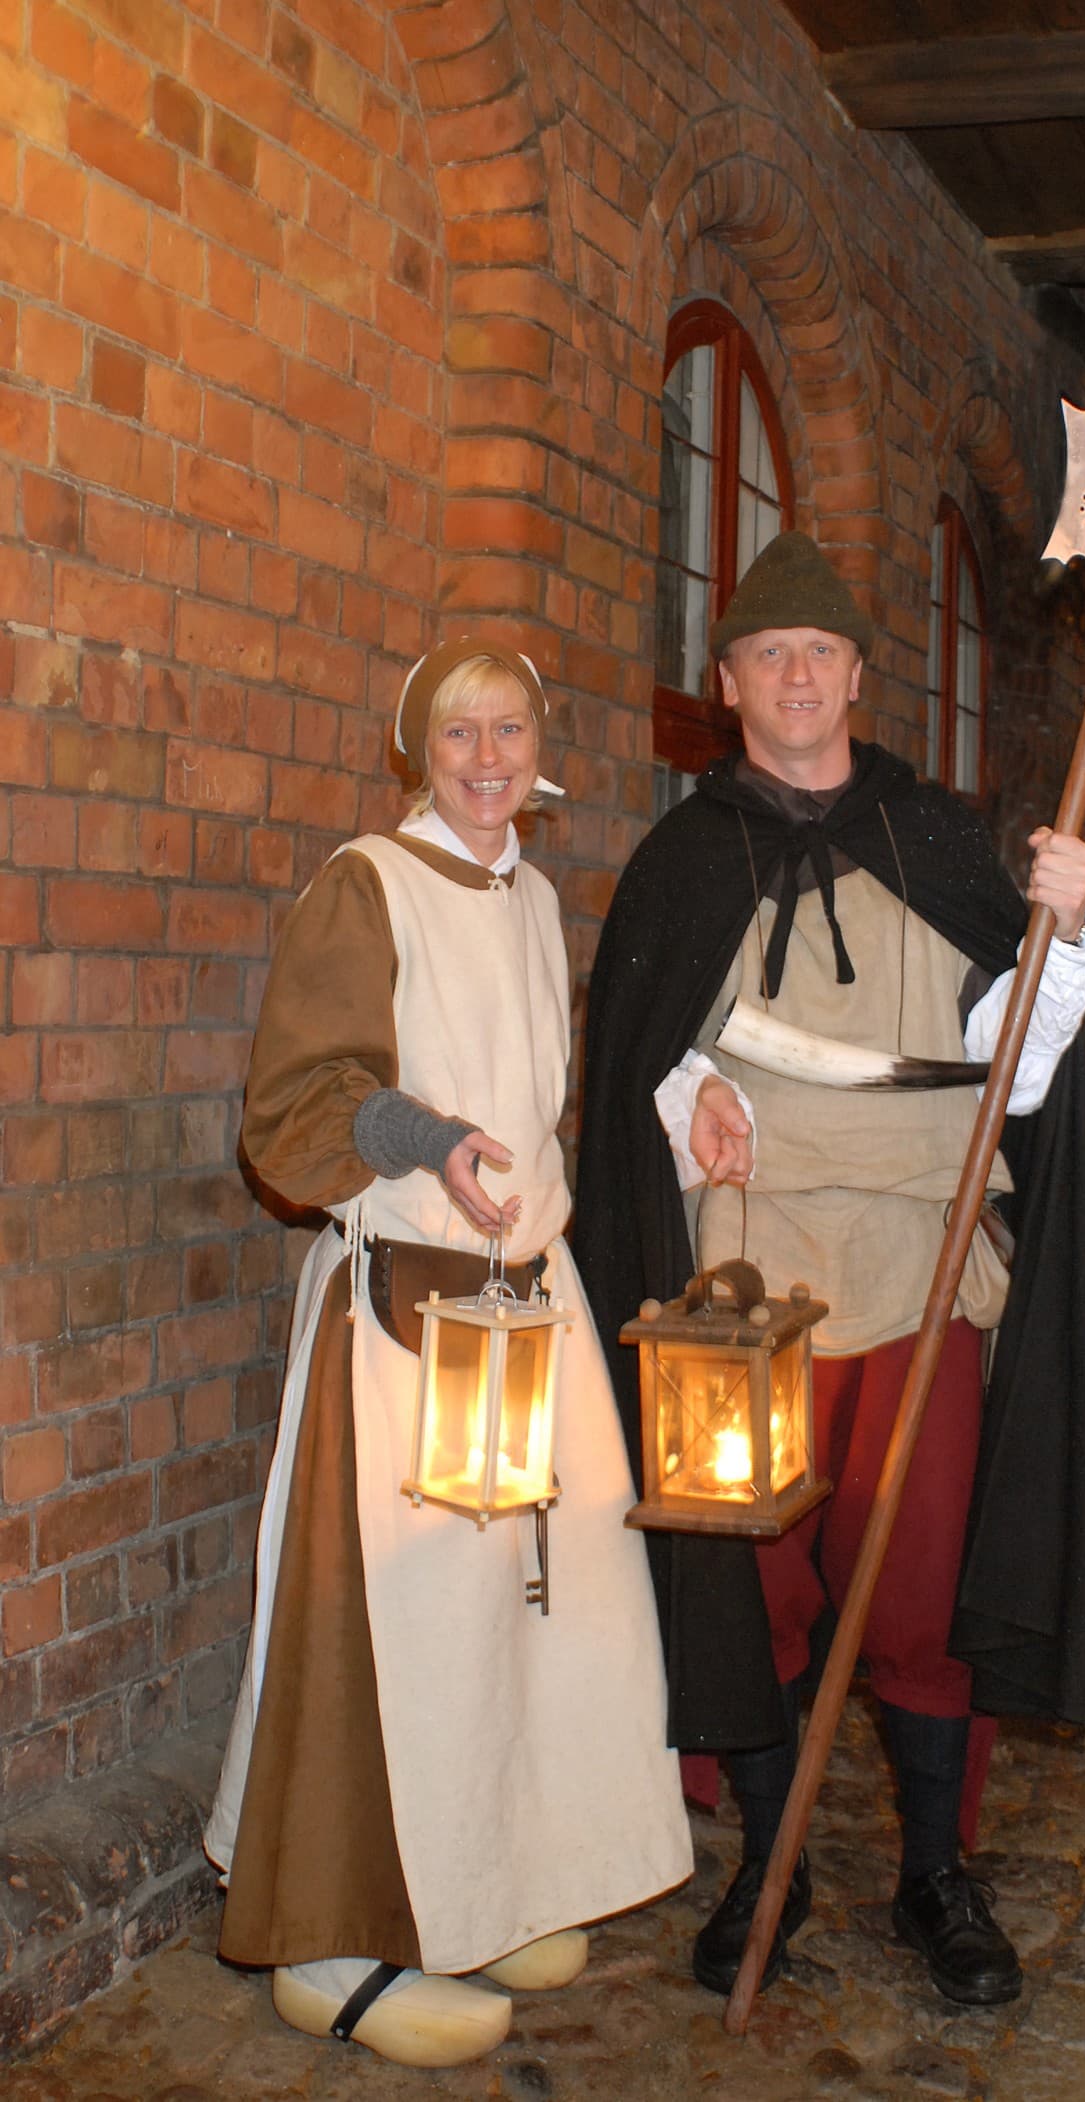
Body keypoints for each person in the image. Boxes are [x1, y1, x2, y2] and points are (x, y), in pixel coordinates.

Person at [573, 532, 1085, 2009]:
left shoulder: (935, 837)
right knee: (758, 1581)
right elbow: (631, 1070)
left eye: (823, 655)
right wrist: (692, 1092)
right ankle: (775, 1855)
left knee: (923, 1580)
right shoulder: (684, 861)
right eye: (769, 655)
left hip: (925, 1263)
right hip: (752, 1277)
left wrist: (1065, 925)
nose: (797, 675)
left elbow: (1030, 1060)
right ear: (728, 679)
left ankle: (937, 1870)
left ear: (859, 680)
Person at [205, 639, 692, 2068]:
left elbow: (549, 1104)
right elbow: (300, 1103)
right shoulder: (369, 883)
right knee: (382, 1640)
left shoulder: (535, 896)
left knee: (512, 1635)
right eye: (459, 732)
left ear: (541, 748)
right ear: (418, 750)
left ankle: (470, 1894)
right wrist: (432, 1144)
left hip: (526, 1318)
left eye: (511, 728)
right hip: (406, 1329)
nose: (488, 756)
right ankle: (331, 1943)